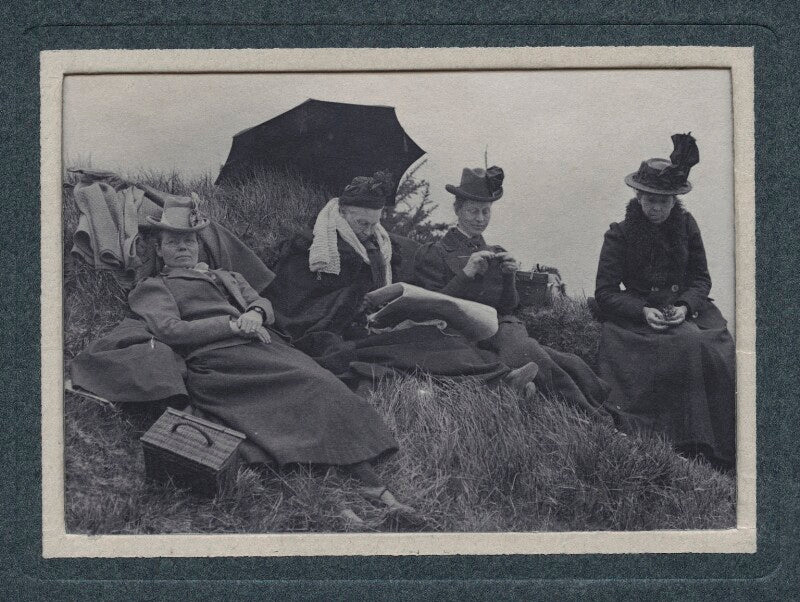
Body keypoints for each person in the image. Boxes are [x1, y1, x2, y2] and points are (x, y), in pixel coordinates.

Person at [127, 193, 415, 514]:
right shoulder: (154, 287)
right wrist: (232, 325)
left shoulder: (226, 275)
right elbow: (169, 330)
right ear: (159, 249)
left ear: (199, 244)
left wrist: (255, 313)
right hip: (219, 360)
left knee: (323, 383)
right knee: (305, 388)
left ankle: (370, 482)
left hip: (264, 347)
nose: (183, 248)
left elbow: (263, 302)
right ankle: (359, 487)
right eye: (173, 242)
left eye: (189, 241)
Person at [267, 171, 539, 393]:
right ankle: (495, 384)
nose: (369, 232)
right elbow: (298, 306)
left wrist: (390, 306)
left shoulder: (379, 247)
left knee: (431, 338)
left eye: (374, 224)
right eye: (362, 224)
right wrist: (352, 306)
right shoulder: (311, 248)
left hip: (367, 326)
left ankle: (500, 379)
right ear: (342, 213)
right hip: (328, 335)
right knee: (401, 354)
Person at [413, 166, 622, 424]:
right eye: (473, 211)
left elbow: (509, 307)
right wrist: (466, 274)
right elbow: (433, 306)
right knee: (542, 356)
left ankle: (594, 413)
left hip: (501, 325)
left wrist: (509, 276)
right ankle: (593, 413)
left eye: (486, 211)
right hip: (459, 331)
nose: (480, 218)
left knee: (527, 351)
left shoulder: (495, 251)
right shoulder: (434, 253)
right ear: (457, 210)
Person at [594, 133, 736, 470]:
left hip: (685, 309)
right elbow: (605, 292)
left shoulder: (686, 226)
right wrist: (642, 311)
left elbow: (701, 279)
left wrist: (685, 306)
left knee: (715, 348)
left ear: (674, 200)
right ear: (638, 196)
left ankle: (721, 447)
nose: (656, 208)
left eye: (664, 201)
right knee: (685, 346)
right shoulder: (620, 233)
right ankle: (683, 443)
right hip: (639, 316)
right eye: (650, 200)